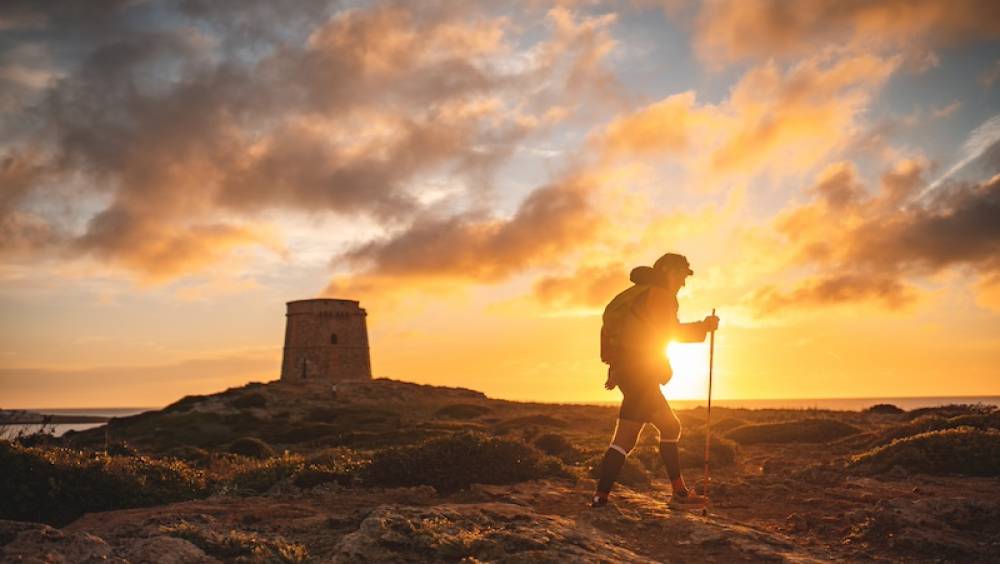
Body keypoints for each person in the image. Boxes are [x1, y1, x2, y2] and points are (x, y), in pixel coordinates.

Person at [591, 252, 719, 510]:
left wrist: (616, 369)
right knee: (654, 431)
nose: (683, 282)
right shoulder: (660, 295)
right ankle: (678, 496)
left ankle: (602, 497)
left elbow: (626, 335)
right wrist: (704, 327)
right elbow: (670, 332)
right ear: (670, 271)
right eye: (683, 275)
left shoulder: (634, 294)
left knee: (645, 433)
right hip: (641, 375)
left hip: (630, 373)